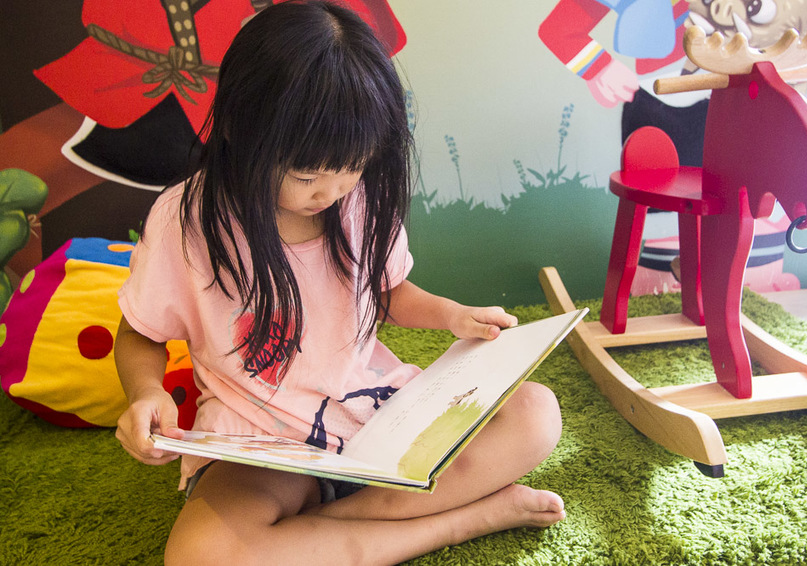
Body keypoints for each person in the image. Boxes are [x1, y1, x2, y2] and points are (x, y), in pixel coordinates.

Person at [114, 2, 565, 564]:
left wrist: (452, 314)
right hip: (260, 448)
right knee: (198, 556)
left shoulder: (359, 198)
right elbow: (138, 332)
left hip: (380, 420)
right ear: (237, 128)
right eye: (306, 175)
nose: (329, 191)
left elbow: (388, 292)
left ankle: (315, 533)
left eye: (351, 166)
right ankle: (461, 519)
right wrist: (146, 393)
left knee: (536, 414)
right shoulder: (187, 221)